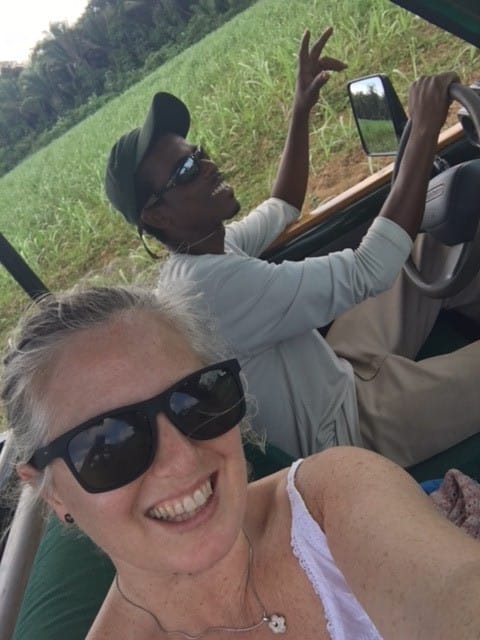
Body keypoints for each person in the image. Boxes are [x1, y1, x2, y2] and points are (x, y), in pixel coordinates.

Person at [4, 283, 480, 640]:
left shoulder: (331, 496)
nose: (180, 458)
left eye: (197, 399)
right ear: (53, 494)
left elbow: (454, 589)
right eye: (108, 444)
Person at [104, 26, 478, 468]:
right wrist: (422, 131)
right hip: (350, 432)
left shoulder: (202, 250)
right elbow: (367, 271)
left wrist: (301, 106)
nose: (207, 165)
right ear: (157, 216)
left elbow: (282, 205)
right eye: (186, 169)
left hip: (338, 370)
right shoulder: (207, 288)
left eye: (199, 152)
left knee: (426, 245)